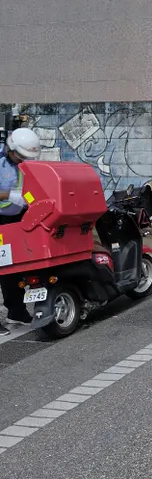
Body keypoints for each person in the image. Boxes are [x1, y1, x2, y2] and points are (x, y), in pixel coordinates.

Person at [0, 128, 42, 335]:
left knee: (12, 267)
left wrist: (29, 201)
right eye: (20, 155)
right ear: (10, 148)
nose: (22, 159)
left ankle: (16, 311)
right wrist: (10, 195)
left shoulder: (23, 164)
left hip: (15, 220)